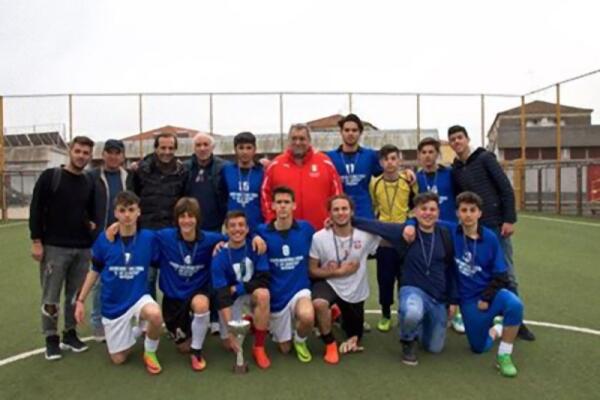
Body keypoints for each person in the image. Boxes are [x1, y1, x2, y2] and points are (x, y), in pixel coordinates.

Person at [447, 125, 534, 341]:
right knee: (474, 271)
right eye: (453, 139)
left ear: (467, 139)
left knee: (506, 274)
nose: (457, 142)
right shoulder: (456, 169)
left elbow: (505, 188)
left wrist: (509, 219)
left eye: (459, 137)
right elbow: (458, 198)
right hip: (471, 229)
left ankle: (516, 321)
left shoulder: (485, 158)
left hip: (495, 225)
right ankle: (483, 315)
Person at [352, 193, 459, 366]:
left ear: (438, 212)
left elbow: (451, 269)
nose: (428, 213)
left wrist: (452, 300)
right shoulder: (404, 232)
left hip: (438, 297)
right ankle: (408, 340)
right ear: (415, 212)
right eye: (423, 209)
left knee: (434, 348)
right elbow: (376, 226)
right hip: (413, 290)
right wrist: (347, 219)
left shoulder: (446, 234)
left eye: (432, 209)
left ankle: (421, 324)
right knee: (412, 312)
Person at [74, 191, 164, 374]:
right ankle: (136, 331)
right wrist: (81, 300)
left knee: (155, 315)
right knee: (119, 359)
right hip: (113, 305)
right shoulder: (105, 240)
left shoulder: (149, 238)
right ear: (115, 213)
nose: (127, 215)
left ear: (139, 211)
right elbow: (94, 270)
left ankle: (150, 352)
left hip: (138, 297)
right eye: (122, 211)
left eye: (131, 210)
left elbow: (177, 239)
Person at [29, 135, 96, 360]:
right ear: (70, 151)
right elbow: (36, 208)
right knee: (51, 296)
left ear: (90, 156)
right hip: (54, 247)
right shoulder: (51, 177)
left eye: (86, 153)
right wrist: (36, 241)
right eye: (78, 151)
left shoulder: (88, 181)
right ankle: (51, 338)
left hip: (82, 248)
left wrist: (90, 226)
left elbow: (89, 212)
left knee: (75, 295)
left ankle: (70, 333)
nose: (81, 156)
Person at [155, 197, 226, 371]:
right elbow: (138, 234)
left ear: (197, 219)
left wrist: (255, 238)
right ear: (177, 219)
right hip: (173, 298)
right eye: (182, 216)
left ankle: (197, 351)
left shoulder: (209, 239)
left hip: (197, 292)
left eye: (191, 216)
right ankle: (191, 330)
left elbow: (235, 236)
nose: (186, 221)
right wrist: (117, 227)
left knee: (202, 304)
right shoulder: (165, 236)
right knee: (182, 348)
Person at [309, 194, 380, 364]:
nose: (340, 213)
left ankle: (337, 316)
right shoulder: (319, 237)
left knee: (354, 335)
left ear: (352, 212)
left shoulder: (365, 235)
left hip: (355, 290)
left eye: (344, 209)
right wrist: (339, 272)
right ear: (329, 213)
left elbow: (386, 236)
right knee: (319, 303)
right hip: (329, 283)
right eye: (336, 209)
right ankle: (330, 343)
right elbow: (312, 271)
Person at [255, 186, 315, 363]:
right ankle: (279, 328)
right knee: (284, 349)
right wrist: (254, 238)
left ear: (294, 205)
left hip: (299, 291)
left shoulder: (306, 229)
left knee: (307, 316)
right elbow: (241, 235)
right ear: (272, 206)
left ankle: (300, 340)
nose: (283, 206)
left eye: (287, 202)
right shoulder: (262, 231)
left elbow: (324, 238)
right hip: (277, 296)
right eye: (279, 202)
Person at [211, 211, 272, 369]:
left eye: (241, 225)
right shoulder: (219, 256)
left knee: (263, 294)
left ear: (247, 229)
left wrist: (238, 288)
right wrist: (231, 331)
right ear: (226, 229)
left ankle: (259, 347)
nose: (237, 229)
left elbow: (264, 280)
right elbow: (222, 296)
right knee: (228, 345)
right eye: (232, 226)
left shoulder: (256, 246)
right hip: (231, 298)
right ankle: (248, 321)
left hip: (250, 293)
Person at [415, 137, 464, 334]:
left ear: (438, 154)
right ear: (419, 156)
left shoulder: (450, 174)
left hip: (450, 230)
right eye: (424, 152)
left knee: (455, 269)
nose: (428, 156)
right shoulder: (416, 178)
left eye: (431, 152)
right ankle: (431, 309)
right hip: (427, 232)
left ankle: (457, 311)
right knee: (432, 269)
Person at [369, 144, 418, 332]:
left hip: (405, 237)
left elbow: (415, 205)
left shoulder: (408, 181)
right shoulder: (375, 183)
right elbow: (374, 206)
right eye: (386, 159)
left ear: (399, 160)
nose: (390, 163)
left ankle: (405, 312)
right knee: (385, 279)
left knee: (405, 278)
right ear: (381, 162)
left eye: (393, 158)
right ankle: (386, 314)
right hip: (385, 240)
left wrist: (409, 224)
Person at [133, 132, 188, 299]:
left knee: (172, 277)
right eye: (163, 148)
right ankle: (149, 311)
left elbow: (184, 201)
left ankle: (171, 314)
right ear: (155, 148)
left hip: (171, 233)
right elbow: (132, 199)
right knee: (148, 277)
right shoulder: (140, 170)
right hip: (146, 232)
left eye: (171, 148)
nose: (167, 152)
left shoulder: (182, 172)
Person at [88, 139, 132, 342]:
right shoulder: (92, 176)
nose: (113, 156)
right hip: (101, 238)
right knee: (99, 282)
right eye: (110, 152)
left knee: (125, 278)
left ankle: (123, 319)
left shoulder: (129, 176)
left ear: (122, 156)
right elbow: (83, 202)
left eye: (117, 153)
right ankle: (98, 323)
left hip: (125, 237)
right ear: (103, 154)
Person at [261, 123, 343, 230]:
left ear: (309, 140)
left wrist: (333, 218)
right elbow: (265, 194)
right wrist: (272, 220)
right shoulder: (276, 165)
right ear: (288, 141)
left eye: (302, 139)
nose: (298, 142)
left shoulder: (325, 163)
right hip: (286, 232)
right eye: (294, 138)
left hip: (321, 230)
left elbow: (337, 195)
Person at [326, 114, 382, 219]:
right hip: (340, 213)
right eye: (347, 130)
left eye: (354, 130)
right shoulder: (330, 157)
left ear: (360, 133)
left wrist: (406, 173)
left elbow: (387, 174)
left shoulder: (370, 155)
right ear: (341, 132)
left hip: (364, 213)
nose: (350, 133)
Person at [184, 132, 230, 232]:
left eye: (206, 144)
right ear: (193, 148)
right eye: (198, 145)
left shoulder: (225, 167)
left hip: (216, 225)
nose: (202, 148)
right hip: (190, 223)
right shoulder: (184, 168)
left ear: (212, 147)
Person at [222, 132, 264, 230]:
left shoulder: (262, 172)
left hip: (256, 227)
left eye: (248, 148)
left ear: (255, 150)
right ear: (235, 150)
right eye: (241, 148)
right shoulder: (226, 171)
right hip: (233, 228)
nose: (245, 152)